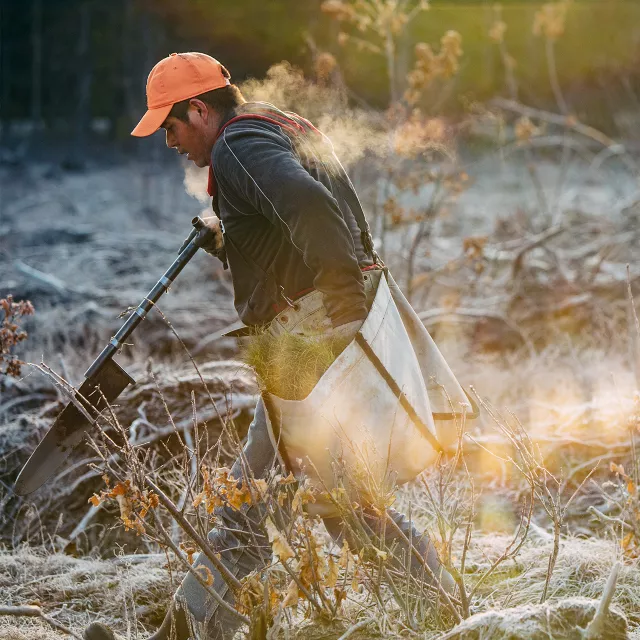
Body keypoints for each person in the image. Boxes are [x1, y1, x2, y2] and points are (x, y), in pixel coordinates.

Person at [85, 52, 463, 640]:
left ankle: (438, 610)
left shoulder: (237, 149)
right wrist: (234, 236)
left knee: (266, 500)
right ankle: (438, 609)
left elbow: (310, 207)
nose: (169, 141)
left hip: (313, 342)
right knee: (316, 498)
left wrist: (338, 309)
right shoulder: (275, 124)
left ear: (199, 109)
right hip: (323, 333)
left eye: (170, 125)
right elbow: (310, 215)